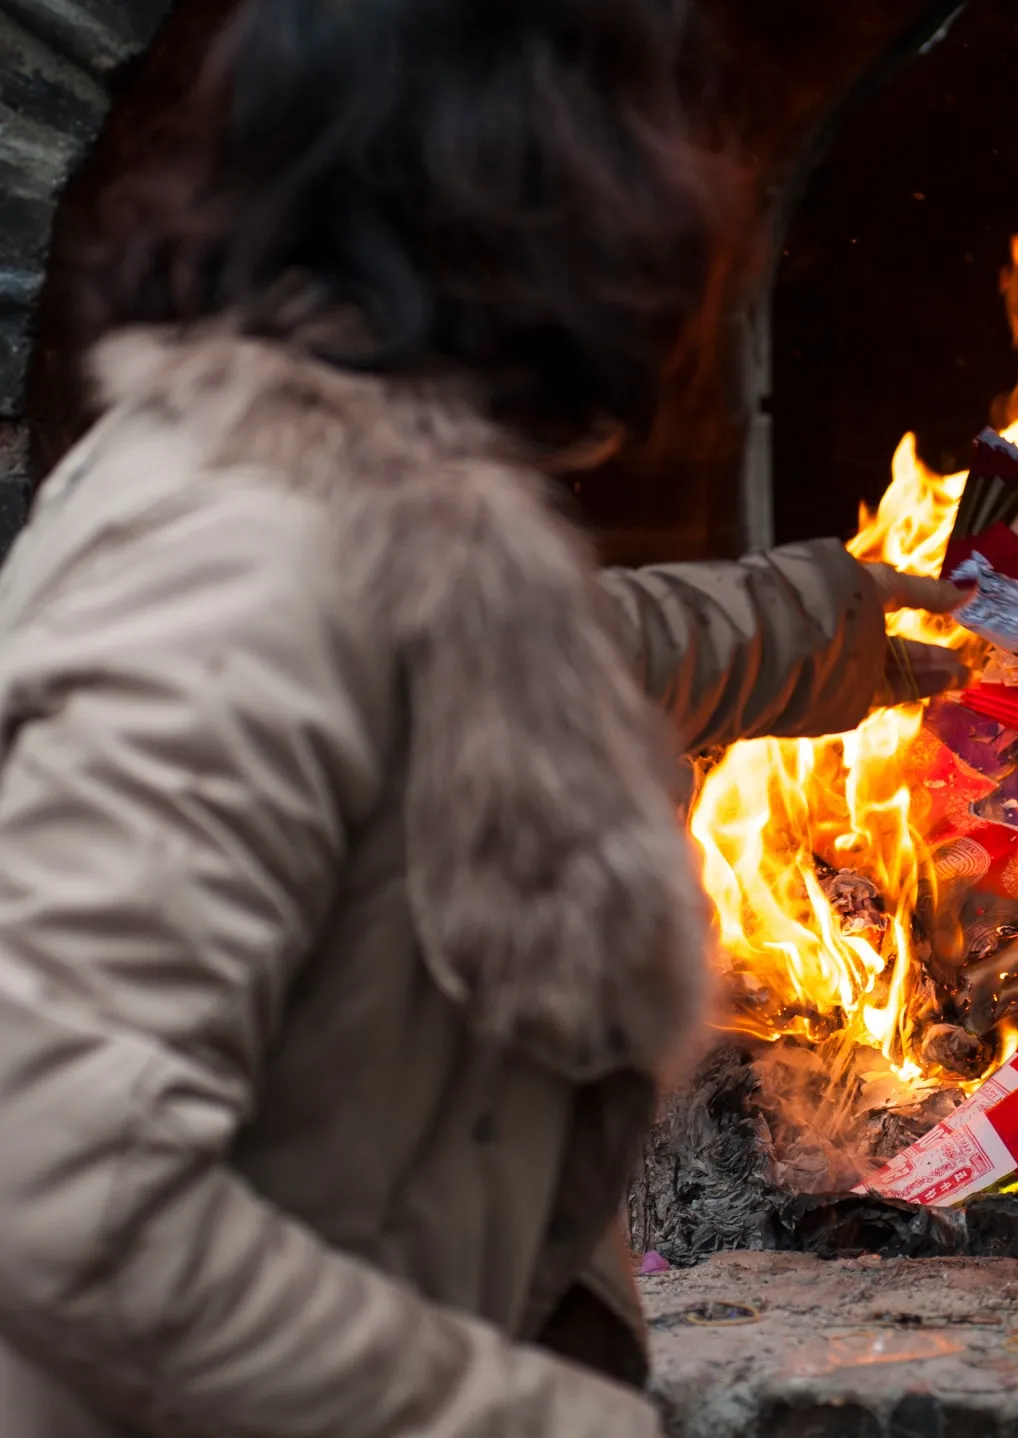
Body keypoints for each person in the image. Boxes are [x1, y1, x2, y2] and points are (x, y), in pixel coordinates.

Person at [0, 1, 968, 1433]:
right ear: (522, 186)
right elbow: (56, 1189)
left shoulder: (348, 512)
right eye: (648, 136)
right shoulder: (226, 570)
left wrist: (810, 622)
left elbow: (522, 646)